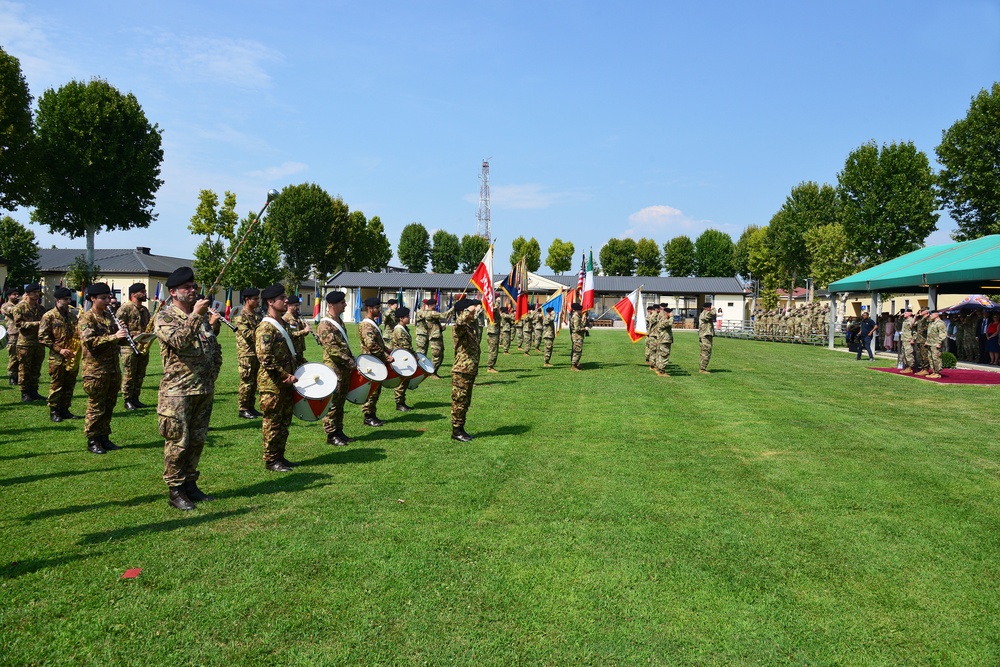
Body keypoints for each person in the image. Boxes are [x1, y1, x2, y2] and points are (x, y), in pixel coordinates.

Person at [155, 266, 223, 510]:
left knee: (197, 440)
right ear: (173, 292)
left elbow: (213, 348)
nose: (193, 290)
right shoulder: (164, 317)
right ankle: (175, 490)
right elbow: (178, 341)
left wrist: (212, 374)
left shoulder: (202, 318)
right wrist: (195, 315)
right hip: (177, 392)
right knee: (178, 442)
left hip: (202, 389)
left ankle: (190, 484)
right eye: (187, 287)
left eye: (194, 286)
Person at [78, 283, 129, 454]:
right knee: (96, 406)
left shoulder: (109, 316)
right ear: (93, 299)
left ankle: (104, 436)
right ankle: (93, 439)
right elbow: (90, 342)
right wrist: (114, 336)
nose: (108, 301)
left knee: (109, 404)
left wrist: (123, 333)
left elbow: (118, 341)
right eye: (103, 298)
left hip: (112, 368)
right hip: (96, 370)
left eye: (109, 297)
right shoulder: (87, 318)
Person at [256, 284, 299, 472]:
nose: (286, 300)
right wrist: (284, 376)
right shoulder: (266, 327)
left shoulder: (282, 323)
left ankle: (280, 455)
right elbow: (265, 357)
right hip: (272, 384)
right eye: (282, 298)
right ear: (270, 302)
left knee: (284, 421)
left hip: (287, 382)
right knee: (272, 423)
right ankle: (271, 459)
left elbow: (289, 352)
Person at [317, 291, 355, 446]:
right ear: (332, 304)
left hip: (344, 368)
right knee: (332, 403)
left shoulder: (338, 321)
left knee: (340, 403)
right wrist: (349, 361)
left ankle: (339, 431)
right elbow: (332, 349)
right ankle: (331, 434)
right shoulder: (325, 324)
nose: (345, 305)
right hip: (334, 369)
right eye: (342, 302)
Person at [38, 286, 81, 422]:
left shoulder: (73, 316)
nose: (68, 301)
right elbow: (42, 337)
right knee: (57, 385)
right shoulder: (49, 316)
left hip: (72, 355)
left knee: (70, 385)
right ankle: (54, 411)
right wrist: (59, 349)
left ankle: (65, 409)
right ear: (57, 300)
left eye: (69, 298)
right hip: (57, 357)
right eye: (65, 299)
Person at [358, 296, 394, 427]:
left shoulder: (372, 323)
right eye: (377, 308)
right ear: (369, 309)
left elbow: (379, 343)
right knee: (371, 390)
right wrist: (386, 356)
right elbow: (371, 345)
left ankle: (372, 414)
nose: (379, 310)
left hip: (376, 361)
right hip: (371, 362)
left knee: (376, 390)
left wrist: (390, 351)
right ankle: (368, 416)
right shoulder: (367, 325)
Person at [450, 298, 481, 441]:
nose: (473, 312)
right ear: (464, 312)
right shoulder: (460, 328)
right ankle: (456, 431)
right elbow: (459, 324)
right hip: (461, 371)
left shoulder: (470, 327)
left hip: (469, 370)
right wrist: (468, 310)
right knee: (459, 401)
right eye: (470, 310)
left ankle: (460, 428)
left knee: (465, 401)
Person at [117, 282, 151, 410]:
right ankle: (127, 399)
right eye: (142, 292)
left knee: (140, 373)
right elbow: (118, 326)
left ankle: (136, 398)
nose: (144, 294)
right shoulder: (125, 308)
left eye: (144, 291)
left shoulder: (145, 310)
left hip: (142, 346)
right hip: (128, 346)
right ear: (133, 294)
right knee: (129, 374)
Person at [12, 282, 45, 402]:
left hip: (38, 342)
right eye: (35, 293)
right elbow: (19, 324)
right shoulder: (19, 307)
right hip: (25, 343)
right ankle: (25, 392)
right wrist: (36, 324)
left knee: (36, 369)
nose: (37, 295)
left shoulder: (40, 308)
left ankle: (34, 391)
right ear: (28, 293)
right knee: (24, 369)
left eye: (38, 293)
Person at [234, 287, 262, 419]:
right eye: (255, 299)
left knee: (255, 382)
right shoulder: (241, 317)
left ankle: (251, 406)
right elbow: (248, 334)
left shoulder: (257, 315)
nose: (258, 301)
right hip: (247, 354)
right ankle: (243, 408)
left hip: (257, 353)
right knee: (246, 382)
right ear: (247, 300)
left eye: (258, 298)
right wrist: (264, 334)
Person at [390, 306, 415, 411]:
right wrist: (415, 357)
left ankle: (402, 402)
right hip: (401, 358)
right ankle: (399, 403)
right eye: (406, 317)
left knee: (405, 381)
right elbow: (405, 346)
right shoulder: (399, 330)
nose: (409, 318)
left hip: (405, 357)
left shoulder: (404, 328)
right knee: (401, 382)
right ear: (401, 318)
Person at [282, 294, 312, 367]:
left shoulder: (297, 318)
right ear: (289, 306)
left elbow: (303, 334)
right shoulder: (285, 319)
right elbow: (288, 335)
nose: (297, 307)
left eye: (298, 305)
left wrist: (306, 329)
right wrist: (304, 331)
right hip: (292, 350)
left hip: (299, 349)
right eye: (295, 305)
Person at [425, 298, 451, 376]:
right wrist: (452, 308)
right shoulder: (431, 313)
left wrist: (441, 329)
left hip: (438, 335)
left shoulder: (433, 313)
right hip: (434, 337)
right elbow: (443, 316)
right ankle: (432, 372)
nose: (436, 305)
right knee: (436, 355)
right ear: (431, 305)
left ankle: (435, 372)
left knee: (441, 355)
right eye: (435, 304)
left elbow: (434, 325)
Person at [2, 286, 21, 385]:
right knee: (13, 356)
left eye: (17, 294)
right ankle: (12, 376)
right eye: (14, 294)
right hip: (13, 335)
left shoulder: (20, 305)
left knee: (22, 357)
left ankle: (20, 376)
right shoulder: (5, 305)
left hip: (23, 334)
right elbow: (13, 311)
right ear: (9, 296)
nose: (17, 296)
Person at [925, 310, 948, 378]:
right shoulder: (932, 323)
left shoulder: (940, 323)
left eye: (932, 314)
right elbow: (929, 333)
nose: (930, 316)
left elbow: (943, 334)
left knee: (936, 358)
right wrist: (927, 341)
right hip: (930, 343)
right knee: (930, 358)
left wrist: (939, 342)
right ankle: (934, 371)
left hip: (936, 344)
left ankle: (938, 373)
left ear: (936, 315)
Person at [654, 306, 674, 377]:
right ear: (667, 313)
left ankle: (659, 369)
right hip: (664, 340)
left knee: (660, 355)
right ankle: (662, 371)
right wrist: (671, 317)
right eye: (670, 312)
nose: (672, 313)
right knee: (664, 355)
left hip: (663, 340)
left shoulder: (664, 319)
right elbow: (669, 323)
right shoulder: (664, 320)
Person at [698, 302, 716, 374]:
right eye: (710, 307)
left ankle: (702, 367)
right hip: (705, 336)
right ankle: (702, 369)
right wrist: (714, 309)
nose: (710, 309)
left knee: (705, 351)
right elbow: (712, 314)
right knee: (706, 351)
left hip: (706, 335)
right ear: (706, 308)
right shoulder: (705, 313)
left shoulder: (705, 313)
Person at [569, 303, 586, 371]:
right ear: (577, 310)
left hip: (577, 336)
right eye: (580, 310)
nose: (581, 311)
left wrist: (584, 322)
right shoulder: (576, 317)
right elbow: (577, 329)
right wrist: (585, 329)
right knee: (577, 351)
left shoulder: (577, 317)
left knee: (577, 350)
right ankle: (573, 366)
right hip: (577, 336)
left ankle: (575, 364)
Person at [899, 308, 916, 374]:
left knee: (909, 354)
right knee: (904, 354)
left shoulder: (911, 320)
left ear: (910, 313)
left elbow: (914, 331)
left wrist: (913, 339)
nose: (904, 314)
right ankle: (907, 367)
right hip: (904, 339)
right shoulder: (905, 320)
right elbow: (899, 323)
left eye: (905, 313)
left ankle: (910, 367)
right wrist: (900, 316)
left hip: (908, 339)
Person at [486, 308, 500, 373]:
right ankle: (490, 367)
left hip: (494, 333)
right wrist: (496, 304)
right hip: (492, 333)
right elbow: (493, 309)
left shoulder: (494, 314)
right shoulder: (491, 313)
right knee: (493, 350)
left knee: (494, 350)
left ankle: (491, 366)